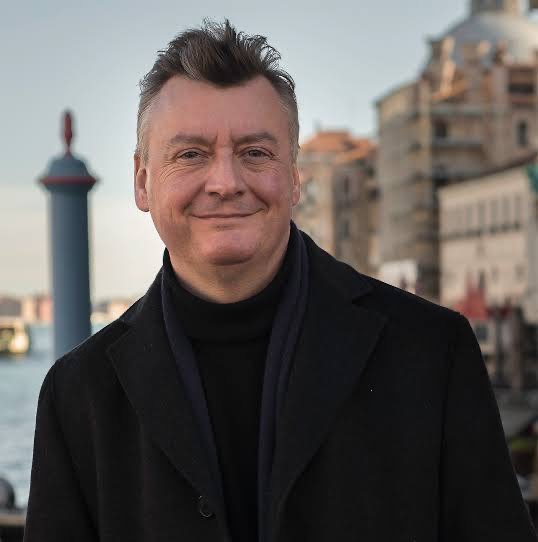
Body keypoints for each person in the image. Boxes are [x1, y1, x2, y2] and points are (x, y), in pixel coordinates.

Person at [24, 20, 537, 542]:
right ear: (142, 182)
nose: (225, 183)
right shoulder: (78, 395)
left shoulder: (432, 353)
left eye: (255, 152)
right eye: (191, 154)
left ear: (293, 178)